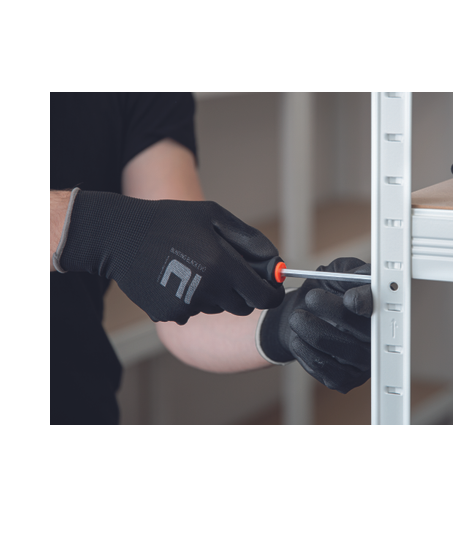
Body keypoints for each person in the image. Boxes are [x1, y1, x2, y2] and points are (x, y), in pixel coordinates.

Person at [50, 92, 372, 424]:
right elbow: (129, 241)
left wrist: (288, 321)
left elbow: (186, 292)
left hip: (80, 400)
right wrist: (93, 228)